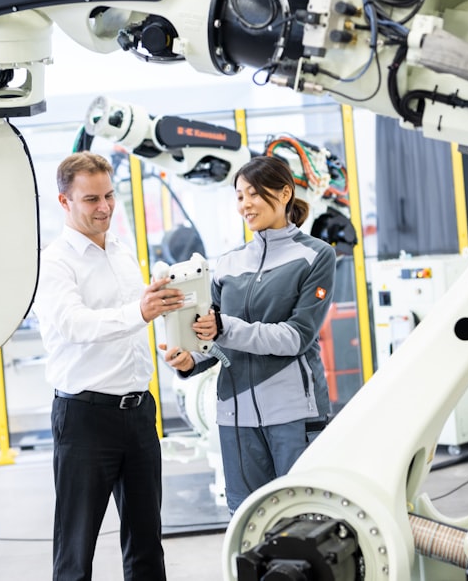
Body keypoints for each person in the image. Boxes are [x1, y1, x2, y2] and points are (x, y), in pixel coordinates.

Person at [32, 151, 184, 581]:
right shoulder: (54, 261)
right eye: (90, 199)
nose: (104, 208)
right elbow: (74, 324)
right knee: (76, 548)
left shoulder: (121, 250)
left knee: (147, 544)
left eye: (109, 196)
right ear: (64, 202)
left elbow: (133, 326)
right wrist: (140, 310)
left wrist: (168, 337)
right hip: (85, 418)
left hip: (138, 414)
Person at [164, 155, 336, 513]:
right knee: (246, 517)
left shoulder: (316, 256)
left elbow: (295, 337)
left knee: (302, 513)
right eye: (240, 196)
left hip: (293, 414)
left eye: (254, 194)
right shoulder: (227, 263)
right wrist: (188, 358)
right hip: (234, 416)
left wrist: (224, 328)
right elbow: (210, 337)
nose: (245, 204)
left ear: (285, 193)